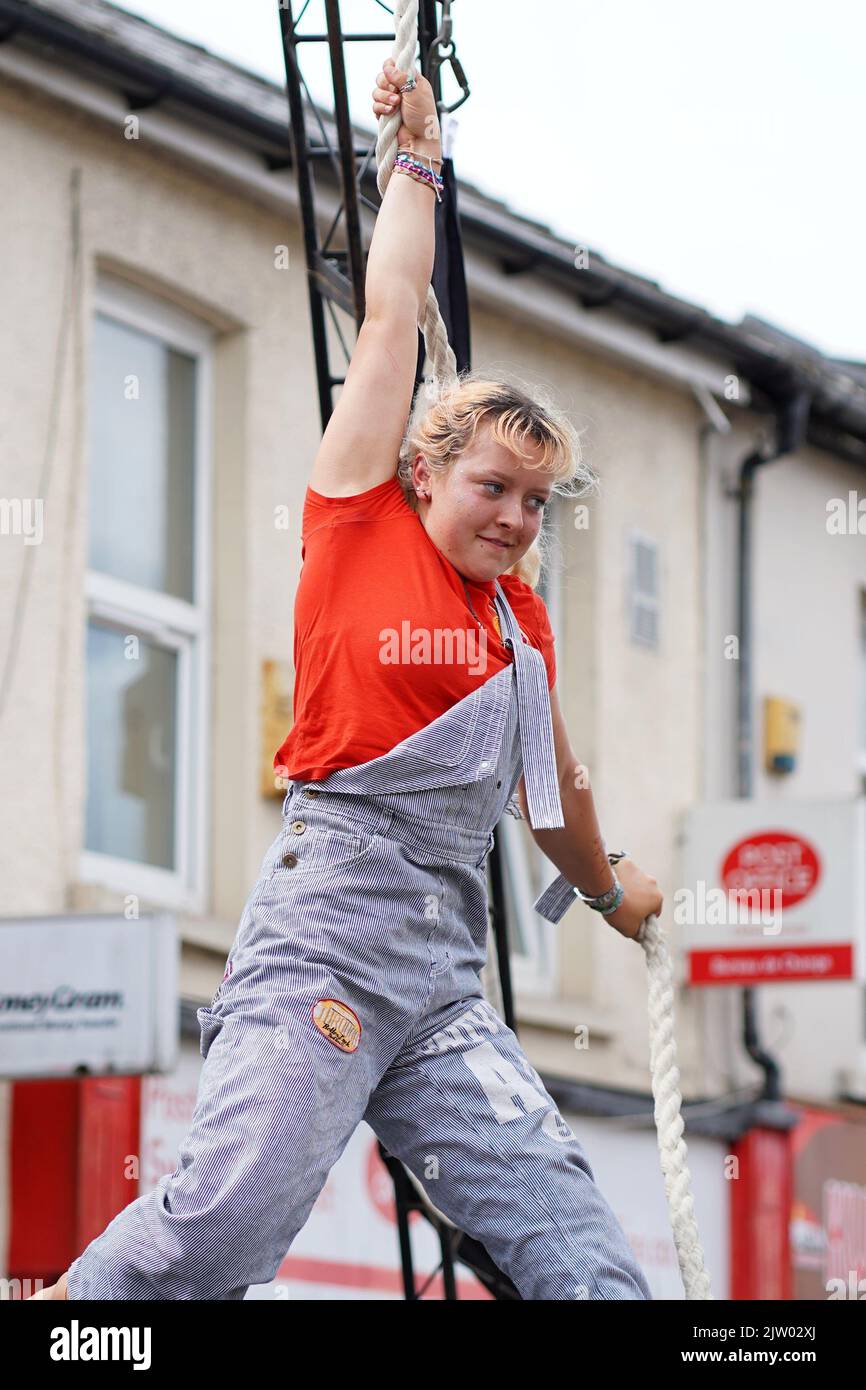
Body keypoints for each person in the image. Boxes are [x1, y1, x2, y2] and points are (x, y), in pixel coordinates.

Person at [35, 57, 662, 1303]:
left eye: (536, 503)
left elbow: (552, 791)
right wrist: (417, 160)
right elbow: (390, 309)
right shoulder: (354, 521)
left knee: (583, 1258)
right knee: (223, 1227)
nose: (514, 517)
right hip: (323, 936)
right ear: (423, 473)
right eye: (493, 486)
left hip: (438, 979)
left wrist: (608, 889)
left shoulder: (517, 625)